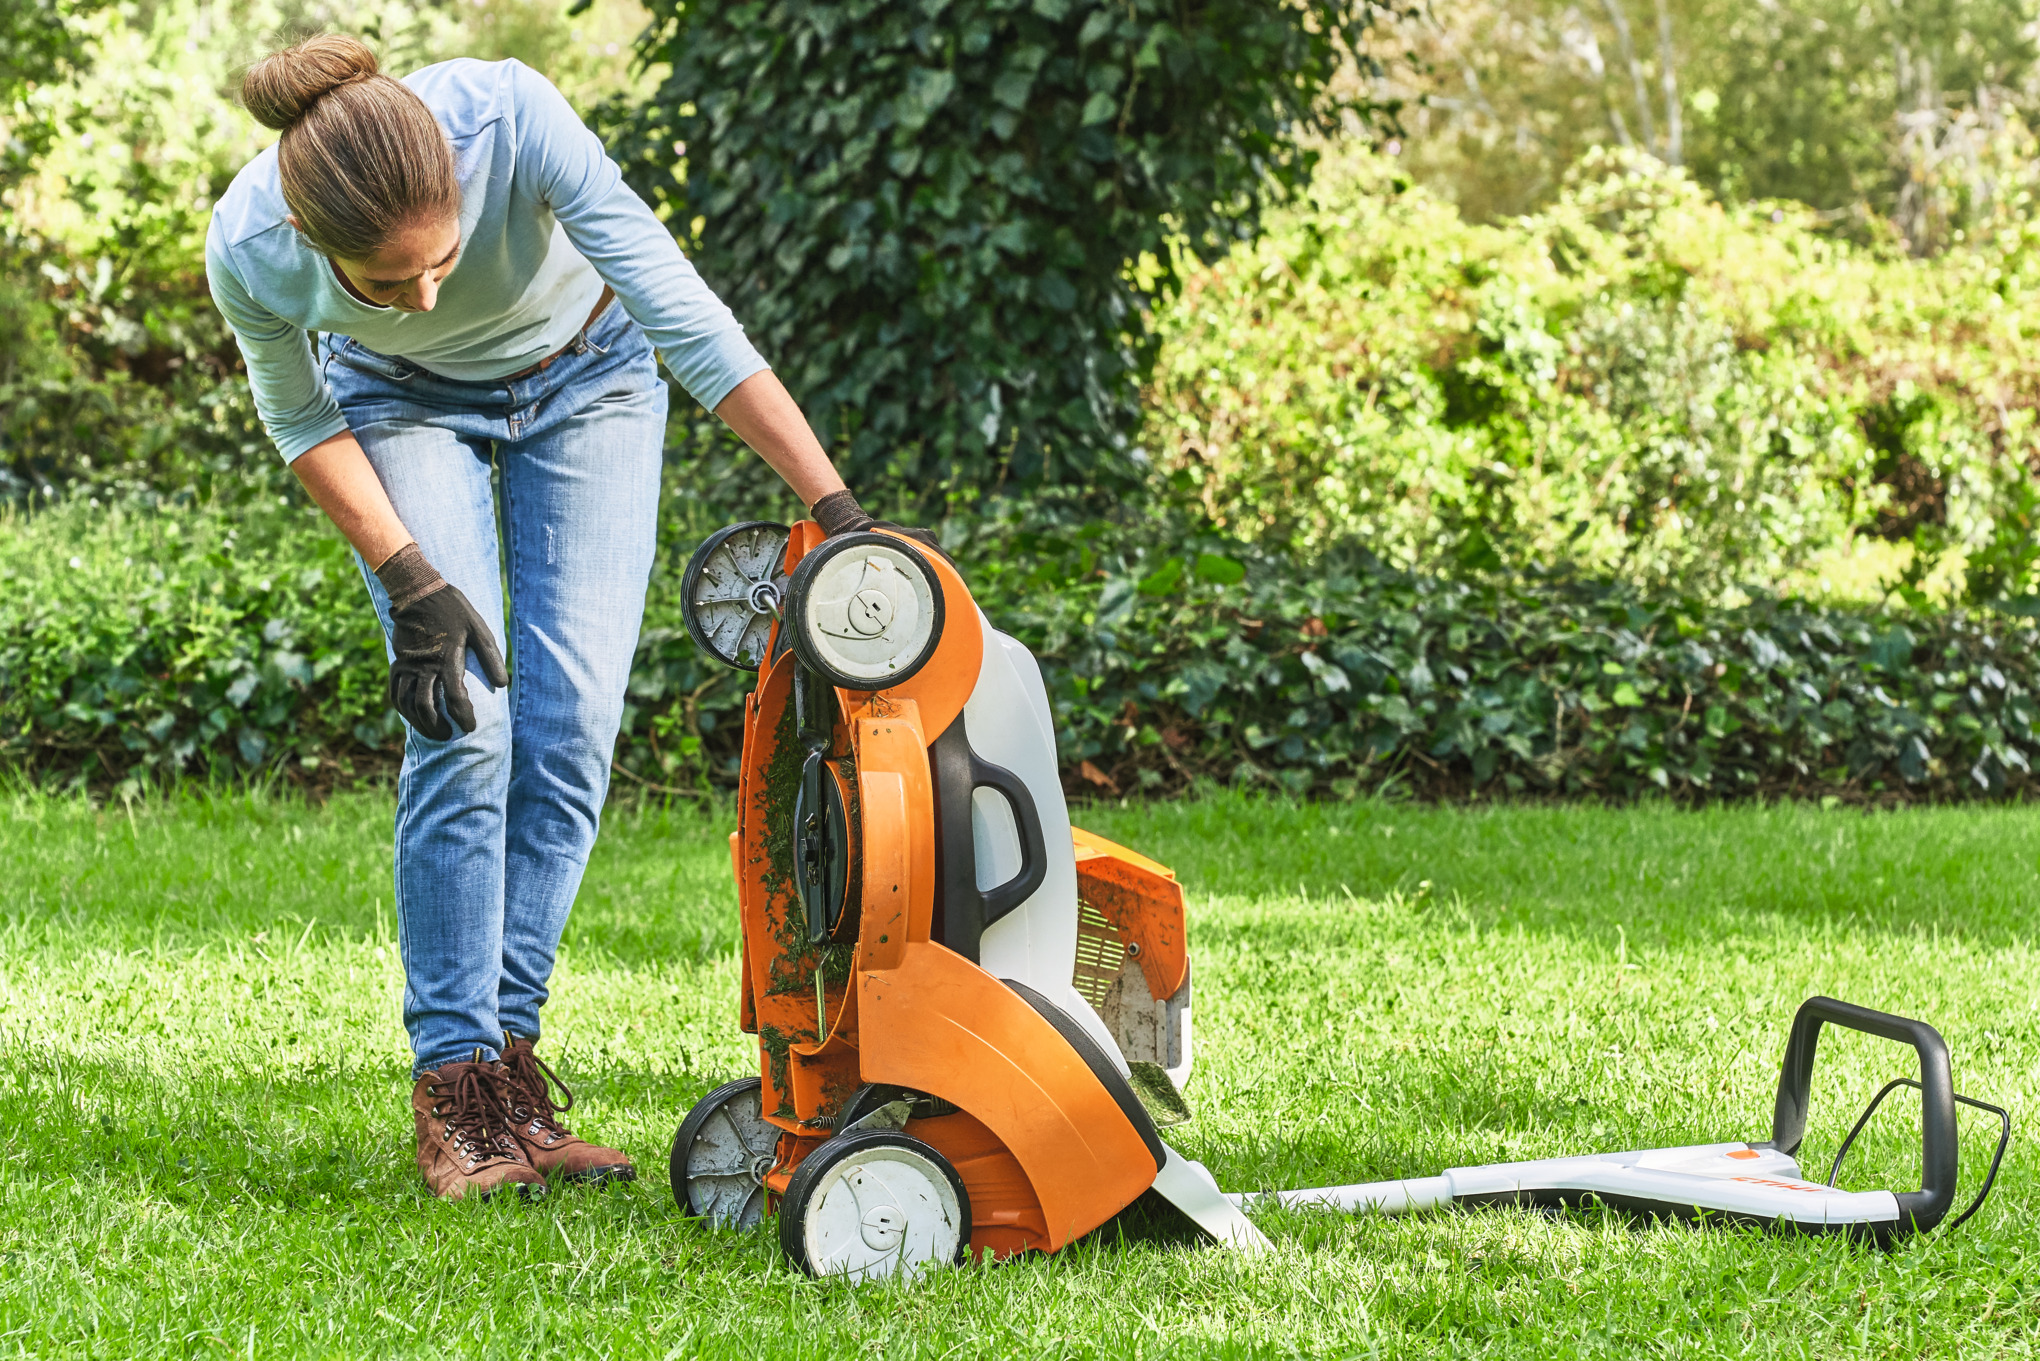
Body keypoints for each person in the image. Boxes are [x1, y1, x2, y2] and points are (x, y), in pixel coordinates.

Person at [207, 33, 925, 1200]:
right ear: (312, 243)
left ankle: (510, 1069)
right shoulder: (251, 247)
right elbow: (302, 421)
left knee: (574, 722)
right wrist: (408, 579)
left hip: (592, 375)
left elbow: (685, 318)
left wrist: (834, 506)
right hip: (397, 402)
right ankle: (454, 1088)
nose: (427, 293)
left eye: (439, 260)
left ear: (456, 174)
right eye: (387, 284)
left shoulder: (509, 121)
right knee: (468, 721)